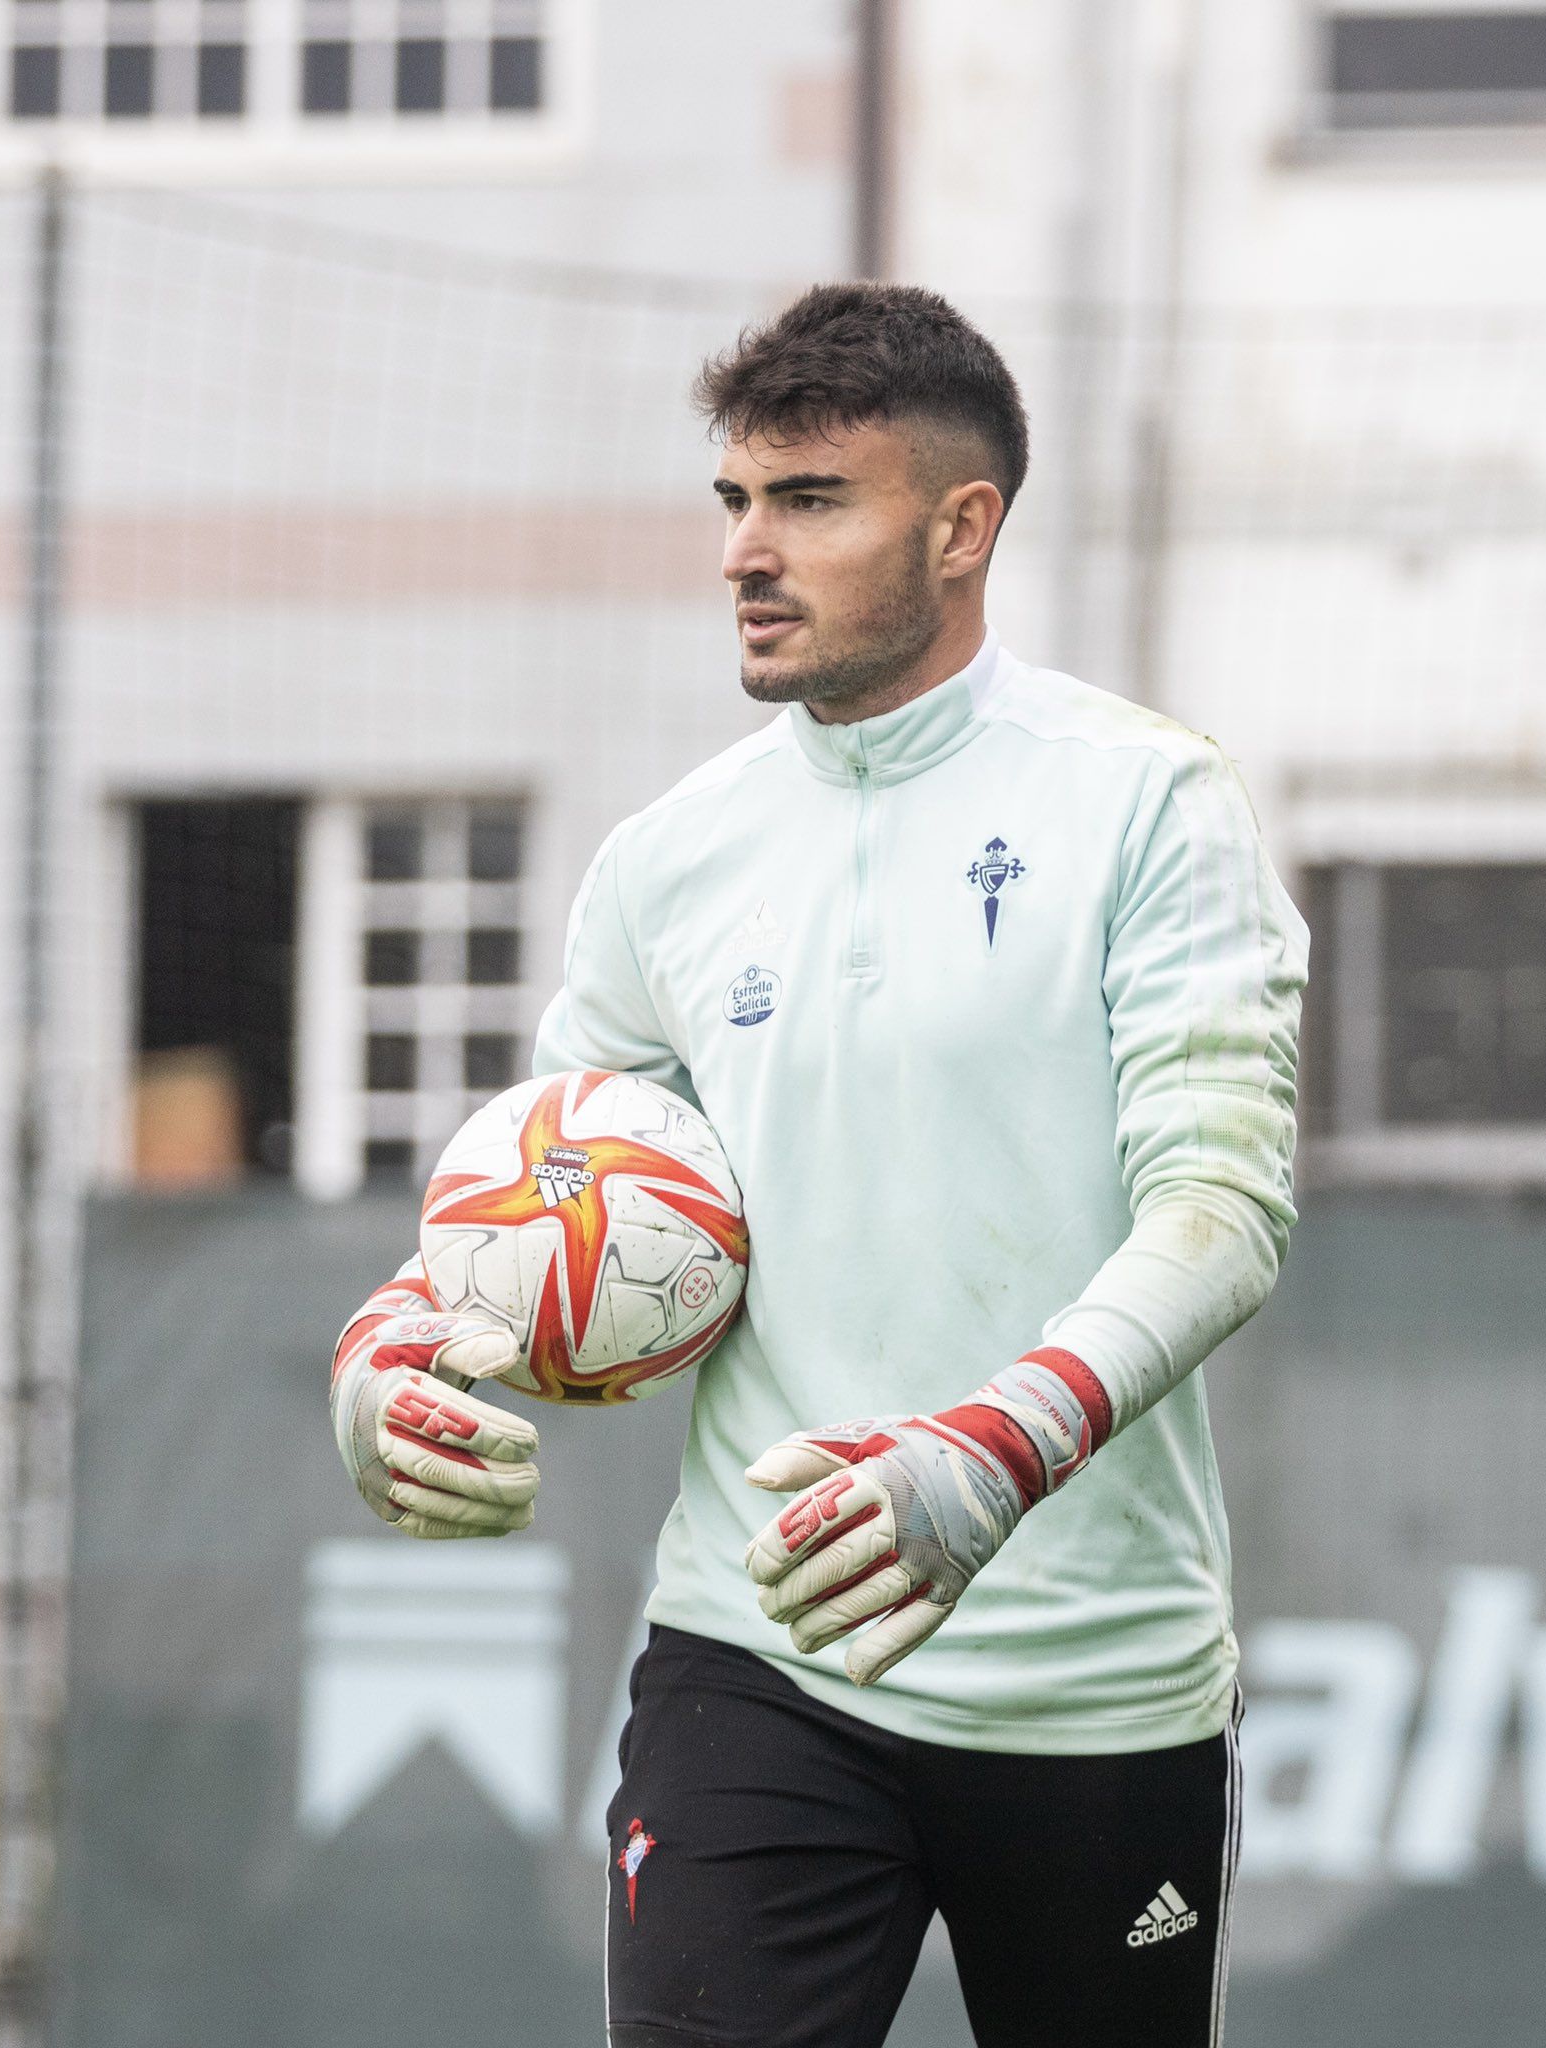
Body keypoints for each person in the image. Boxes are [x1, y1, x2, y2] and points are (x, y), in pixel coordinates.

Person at [330, 284, 1306, 2048]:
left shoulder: (1152, 803)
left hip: (1096, 1691)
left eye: (810, 502)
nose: (746, 555)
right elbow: (539, 1186)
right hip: (759, 1656)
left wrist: (987, 1454)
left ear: (962, 528)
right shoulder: (665, 860)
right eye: (734, 504)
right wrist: (386, 1352)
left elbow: (1221, 1213)